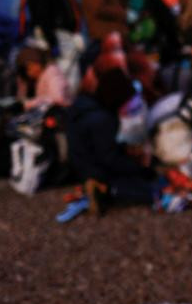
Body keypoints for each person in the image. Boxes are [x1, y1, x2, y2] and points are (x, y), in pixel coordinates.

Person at [65, 67, 156, 211]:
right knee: (148, 190)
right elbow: (110, 159)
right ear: (117, 99)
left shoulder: (85, 105)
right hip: (92, 169)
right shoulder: (103, 120)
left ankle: (99, 187)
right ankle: (103, 189)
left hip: (79, 162)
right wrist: (140, 169)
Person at [16, 46, 71, 111]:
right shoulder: (37, 78)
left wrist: (29, 104)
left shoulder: (52, 73)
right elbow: (21, 97)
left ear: (37, 64)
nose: (29, 74)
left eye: (29, 69)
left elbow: (58, 99)